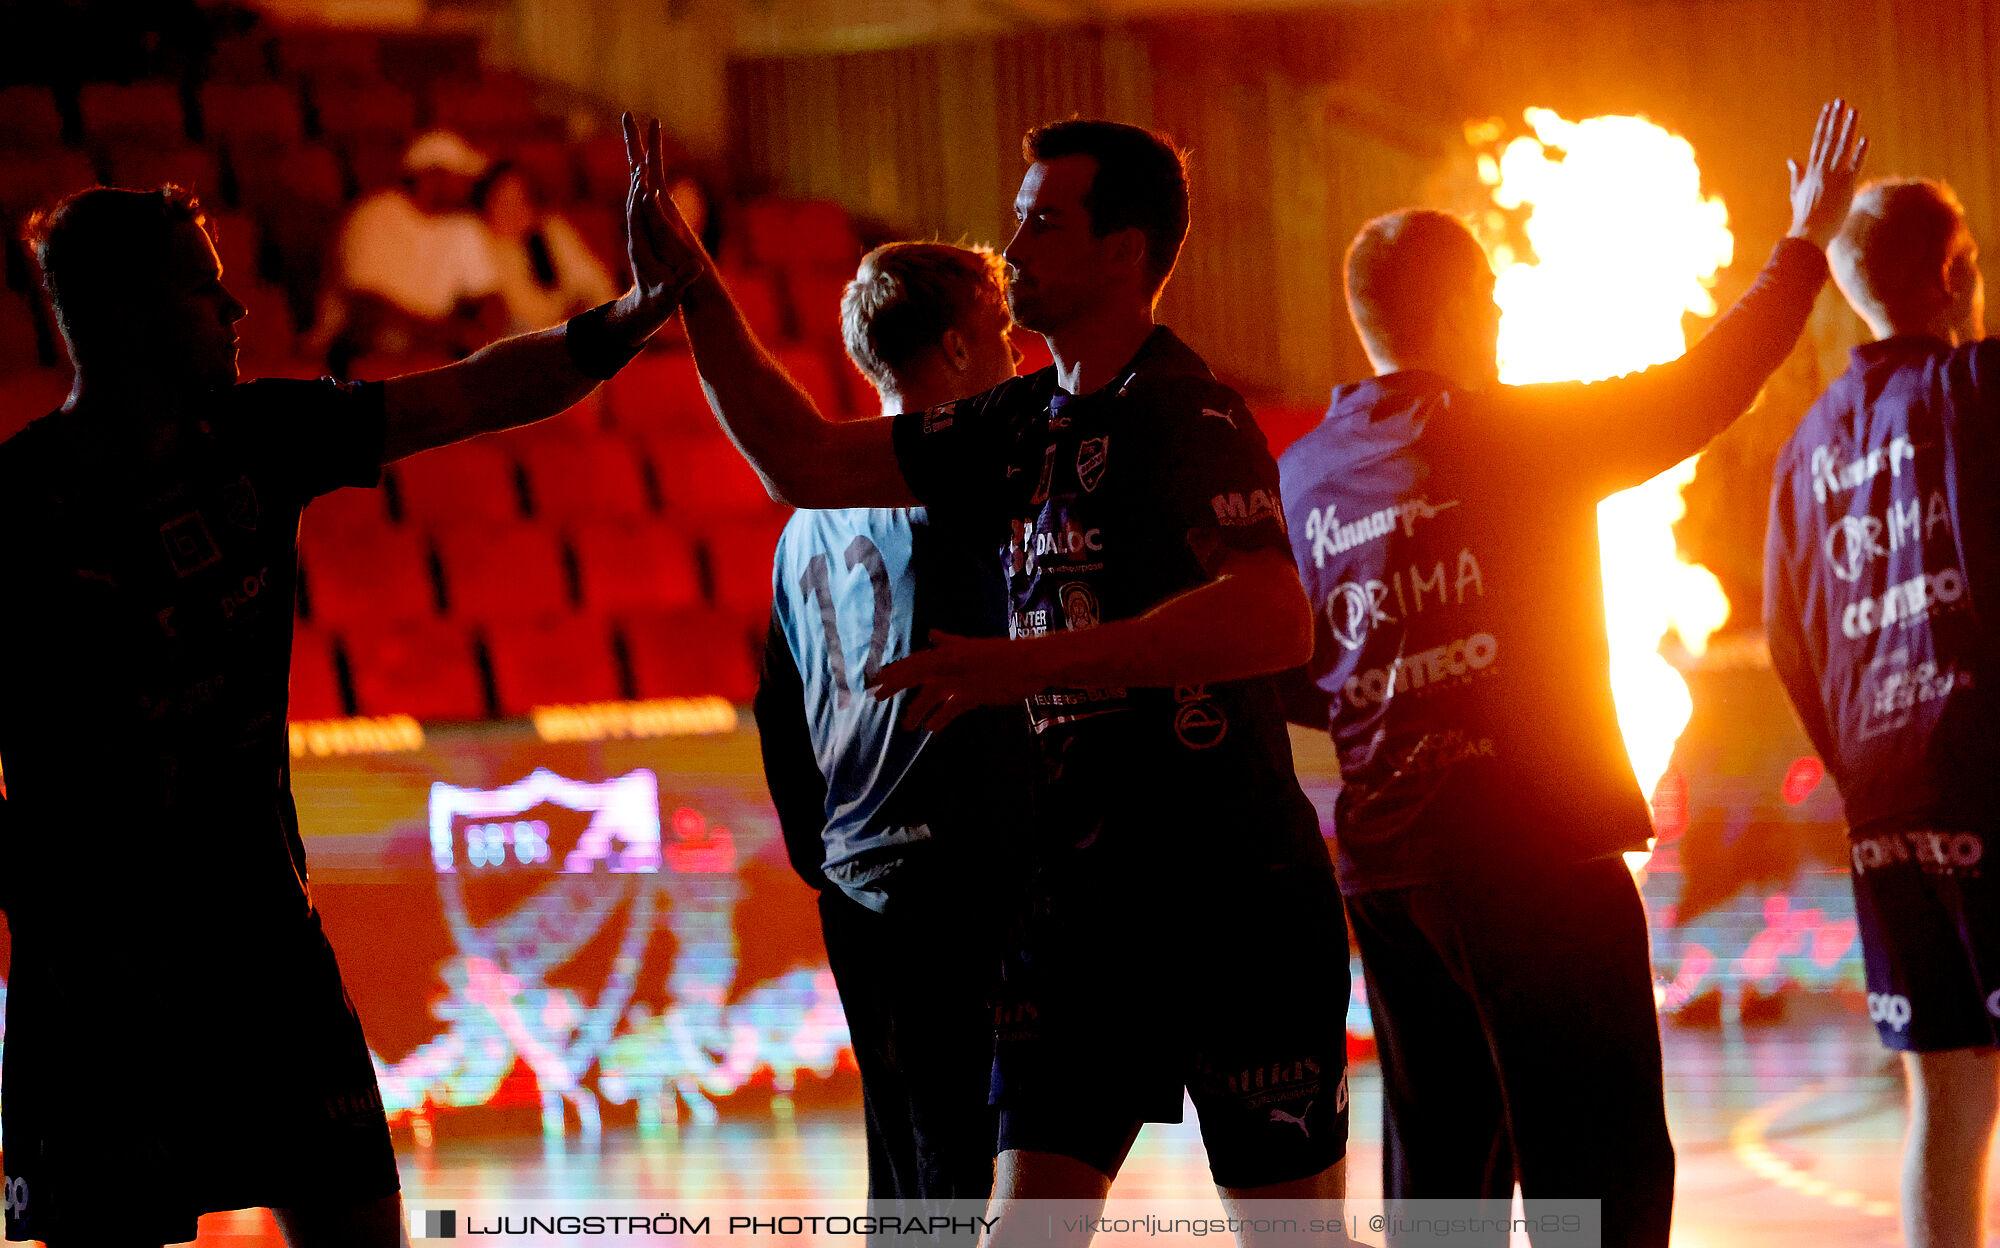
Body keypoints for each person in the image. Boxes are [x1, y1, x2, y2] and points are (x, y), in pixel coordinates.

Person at [627, 114, 1350, 1245]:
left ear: (1123, 253)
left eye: (1043, 220)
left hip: (1231, 894)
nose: (1012, 241)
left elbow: (1270, 617)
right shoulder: (1012, 423)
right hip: (1072, 909)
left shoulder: (1189, 412)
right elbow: (801, 460)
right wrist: (697, 291)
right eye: (1015, 216)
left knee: (1287, 1236)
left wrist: (1020, 668)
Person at [0, 114, 692, 1248]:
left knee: (362, 1225)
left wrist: (627, 316)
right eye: (202, 293)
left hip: (262, 933)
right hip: (96, 971)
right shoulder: (16, 506)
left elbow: (469, 393)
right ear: (124, 320)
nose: (237, 313)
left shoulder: (264, 434)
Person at [1276, 101, 1867, 1247]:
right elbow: (1704, 387)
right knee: (1592, 1174)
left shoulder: (1302, 477)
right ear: (1450, 308)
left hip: (1389, 874)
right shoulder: (1515, 436)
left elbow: (1293, 677)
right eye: (1489, 304)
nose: (1499, 323)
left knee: (1441, 1170)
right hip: (1533, 853)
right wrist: (1802, 242)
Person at [753, 241, 1029, 1231]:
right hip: (962, 874)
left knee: (903, 1161)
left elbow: (776, 709)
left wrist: (823, 859)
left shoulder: (799, 525)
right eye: (999, 334)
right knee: (967, 1166)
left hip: (857, 875)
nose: (1013, 355)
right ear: (957, 350)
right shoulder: (968, 489)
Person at [1764, 176, 1997, 1248]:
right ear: (1953, 276)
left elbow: (1786, 641)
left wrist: (1861, 769)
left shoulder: (1802, 447)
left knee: (1943, 1104)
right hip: (1982, 774)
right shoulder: (1974, 387)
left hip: (1882, 803)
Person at [316, 129, 505, 373]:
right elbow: (366, 305)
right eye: (460, 176)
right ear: (432, 176)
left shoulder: (463, 226)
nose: (469, 184)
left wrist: (485, 334)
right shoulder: (374, 215)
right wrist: (446, 334)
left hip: (430, 351)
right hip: (358, 352)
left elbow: (489, 296)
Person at [477, 160, 620, 334]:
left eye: (520, 200)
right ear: (487, 206)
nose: (513, 211)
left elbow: (596, 281)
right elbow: (525, 311)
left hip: (587, 327)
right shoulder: (486, 246)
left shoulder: (553, 229)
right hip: (531, 339)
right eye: (503, 202)